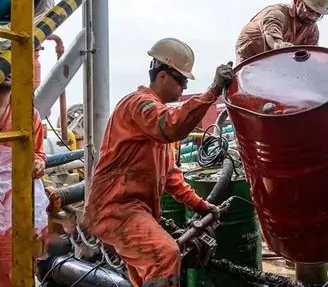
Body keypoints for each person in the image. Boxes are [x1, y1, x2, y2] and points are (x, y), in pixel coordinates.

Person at [82, 38, 234, 287]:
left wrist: (201, 205)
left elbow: (171, 177)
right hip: (116, 208)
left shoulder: (154, 122)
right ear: (163, 76)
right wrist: (213, 90)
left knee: (147, 274)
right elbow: (171, 126)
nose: (185, 87)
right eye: (181, 81)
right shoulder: (137, 104)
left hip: (135, 210)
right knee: (165, 255)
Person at [0, 40, 46, 286]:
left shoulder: (28, 114)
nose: (9, 70)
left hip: (13, 215)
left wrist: (38, 163)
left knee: (10, 271)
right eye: (2, 63)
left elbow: (38, 154)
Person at [234, 0, 328, 64]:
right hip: (249, 63)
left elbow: (310, 59)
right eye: (310, 10)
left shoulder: (312, 30)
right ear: (299, 2)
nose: (313, 17)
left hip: (275, 68)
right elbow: (273, 36)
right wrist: (279, 45)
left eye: (318, 14)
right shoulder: (277, 13)